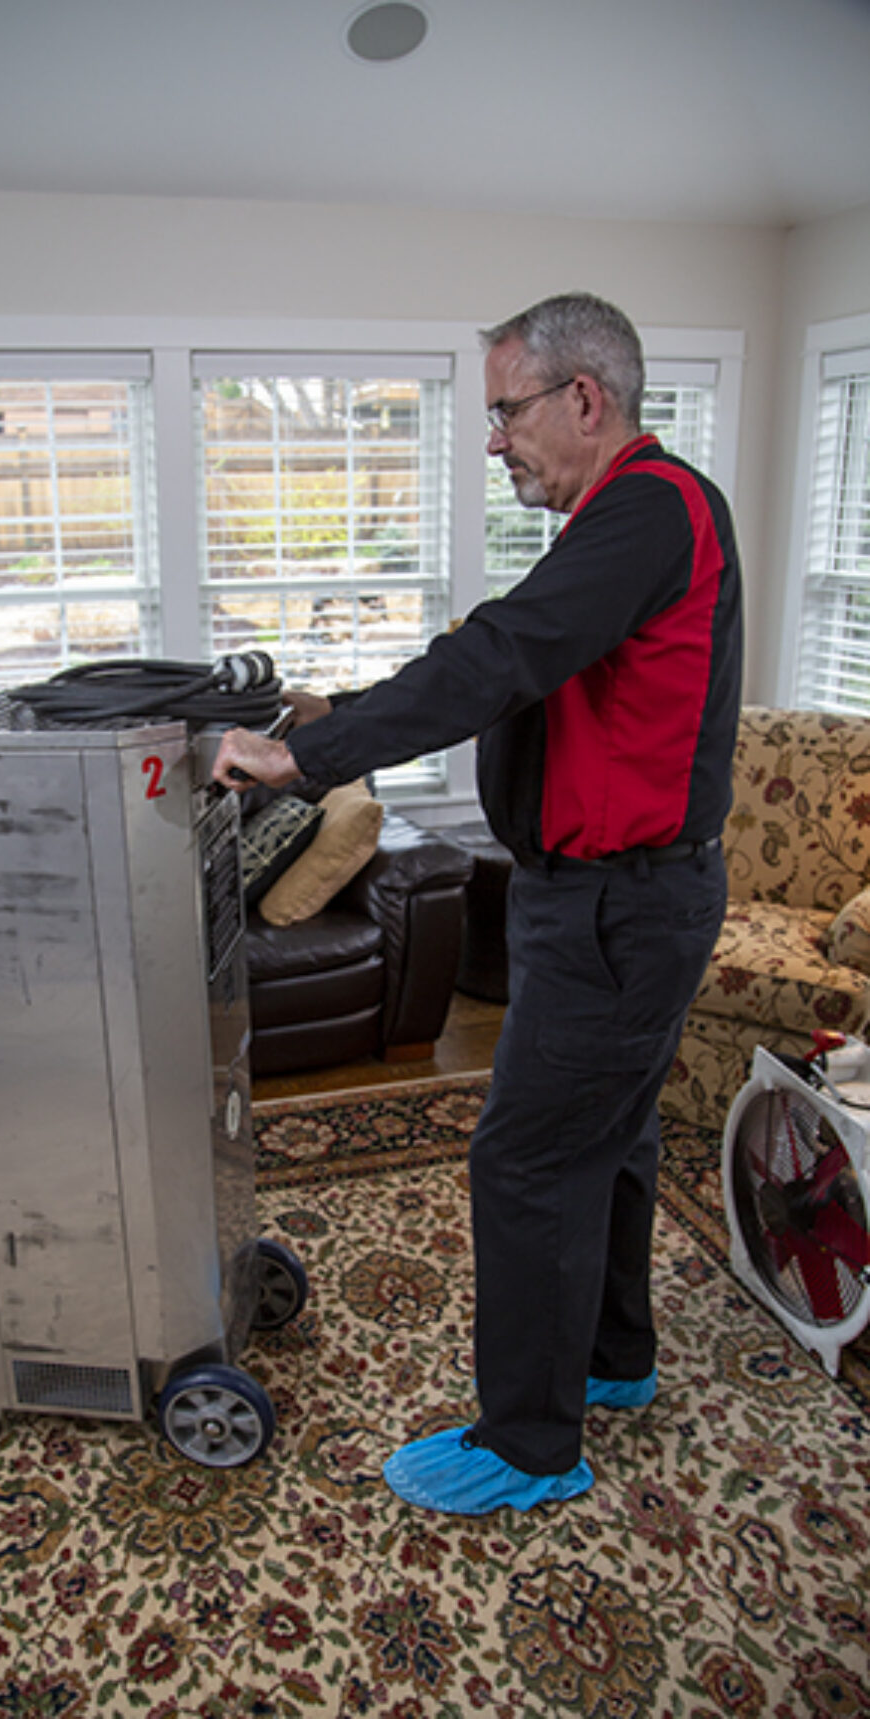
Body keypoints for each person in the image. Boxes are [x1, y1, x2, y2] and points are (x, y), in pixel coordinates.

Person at [213, 292, 743, 1516]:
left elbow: (500, 654)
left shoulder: (650, 507)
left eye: (506, 410)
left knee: (527, 1158)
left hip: (620, 907)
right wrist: (336, 712)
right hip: (626, 900)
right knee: (607, 1142)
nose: (495, 439)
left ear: (585, 400)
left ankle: (529, 1446)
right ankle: (615, 1360)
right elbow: (515, 663)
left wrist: (313, 758)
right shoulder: (633, 520)